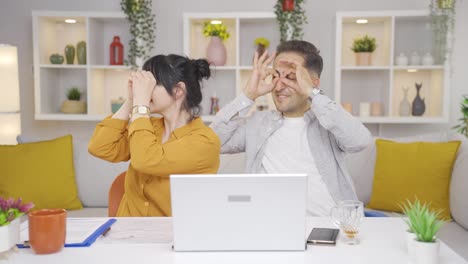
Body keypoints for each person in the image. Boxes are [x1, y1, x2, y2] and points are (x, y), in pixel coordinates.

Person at [210, 40, 372, 216]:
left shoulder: (328, 122)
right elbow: (211, 143)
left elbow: (361, 141)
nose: (278, 86)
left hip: (328, 225)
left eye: (291, 77)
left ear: (313, 83)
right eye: (275, 76)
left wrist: (313, 94)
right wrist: (247, 95)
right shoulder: (257, 123)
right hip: (271, 228)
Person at [89, 54, 221, 217]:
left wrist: (141, 105)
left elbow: (145, 160)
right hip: (127, 232)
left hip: (169, 237)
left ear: (178, 90)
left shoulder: (205, 142)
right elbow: (100, 147)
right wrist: (131, 100)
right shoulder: (148, 126)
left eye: (152, 84)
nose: (145, 90)